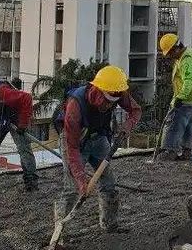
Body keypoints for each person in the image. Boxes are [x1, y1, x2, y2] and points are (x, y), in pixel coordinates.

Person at [55, 65, 141, 234]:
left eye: (113, 102)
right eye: (107, 100)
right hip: (75, 140)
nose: (109, 106)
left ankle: (110, 225)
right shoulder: (75, 105)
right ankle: (60, 232)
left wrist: (126, 127)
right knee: (71, 189)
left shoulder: (116, 92)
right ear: (98, 89)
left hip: (99, 138)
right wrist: (81, 179)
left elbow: (136, 111)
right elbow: (71, 147)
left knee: (108, 184)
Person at [158, 33, 192, 160]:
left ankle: (170, 151)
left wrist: (180, 97)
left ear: (176, 48)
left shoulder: (186, 60)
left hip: (187, 99)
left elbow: (188, 81)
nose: (170, 56)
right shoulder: (186, 54)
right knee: (187, 125)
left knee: (174, 123)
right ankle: (186, 151)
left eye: (170, 53)